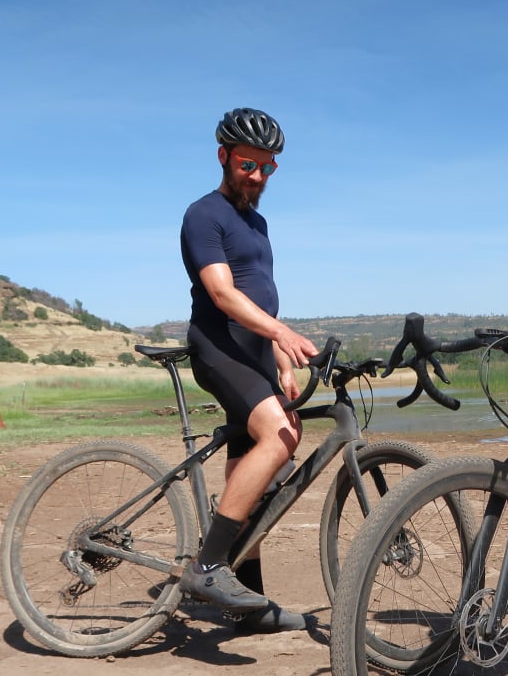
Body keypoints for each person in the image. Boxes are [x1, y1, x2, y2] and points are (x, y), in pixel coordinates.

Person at [177, 107, 319, 634]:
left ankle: (249, 604)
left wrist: (281, 358)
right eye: (246, 165)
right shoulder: (203, 214)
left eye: (267, 168)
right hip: (218, 348)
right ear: (224, 158)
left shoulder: (257, 223)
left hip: (255, 355)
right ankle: (208, 566)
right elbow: (222, 292)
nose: (257, 177)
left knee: (251, 474)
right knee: (281, 435)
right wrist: (281, 336)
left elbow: (265, 302)